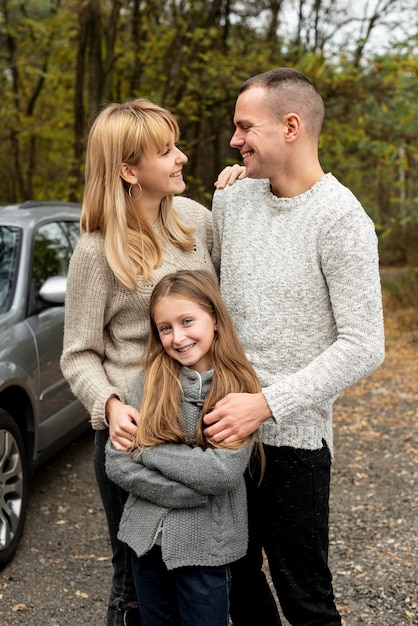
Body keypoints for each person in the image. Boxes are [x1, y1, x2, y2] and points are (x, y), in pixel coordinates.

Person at [203, 67, 385, 626]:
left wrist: (268, 403)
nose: (234, 141)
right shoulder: (232, 203)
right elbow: (205, 304)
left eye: (243, 127)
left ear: (290, 126)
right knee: (231, 578)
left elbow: (364, 343)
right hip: (223, 435)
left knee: (305, 596)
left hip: (295, 445)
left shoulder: (341, 219)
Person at [60, 98, 242, 625]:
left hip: (203, 421)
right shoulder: (97, 252)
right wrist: (110, 405)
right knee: (135, 575)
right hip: (133, 431)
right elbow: (79, 354)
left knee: (206, 565)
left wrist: (242, 192)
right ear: (128, 169)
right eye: (166, 151)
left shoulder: (195, 219)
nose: (182, 157)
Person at [105, 269, 261, 626]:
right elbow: (116, 462)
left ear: (216, 320)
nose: (177, 337)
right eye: (165, 328)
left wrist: (146, 449)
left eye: (187, 320)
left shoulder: (239, 388)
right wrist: (188, 493)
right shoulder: (151, 377)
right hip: (146, 544)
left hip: (206, 550)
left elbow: (220, 473)